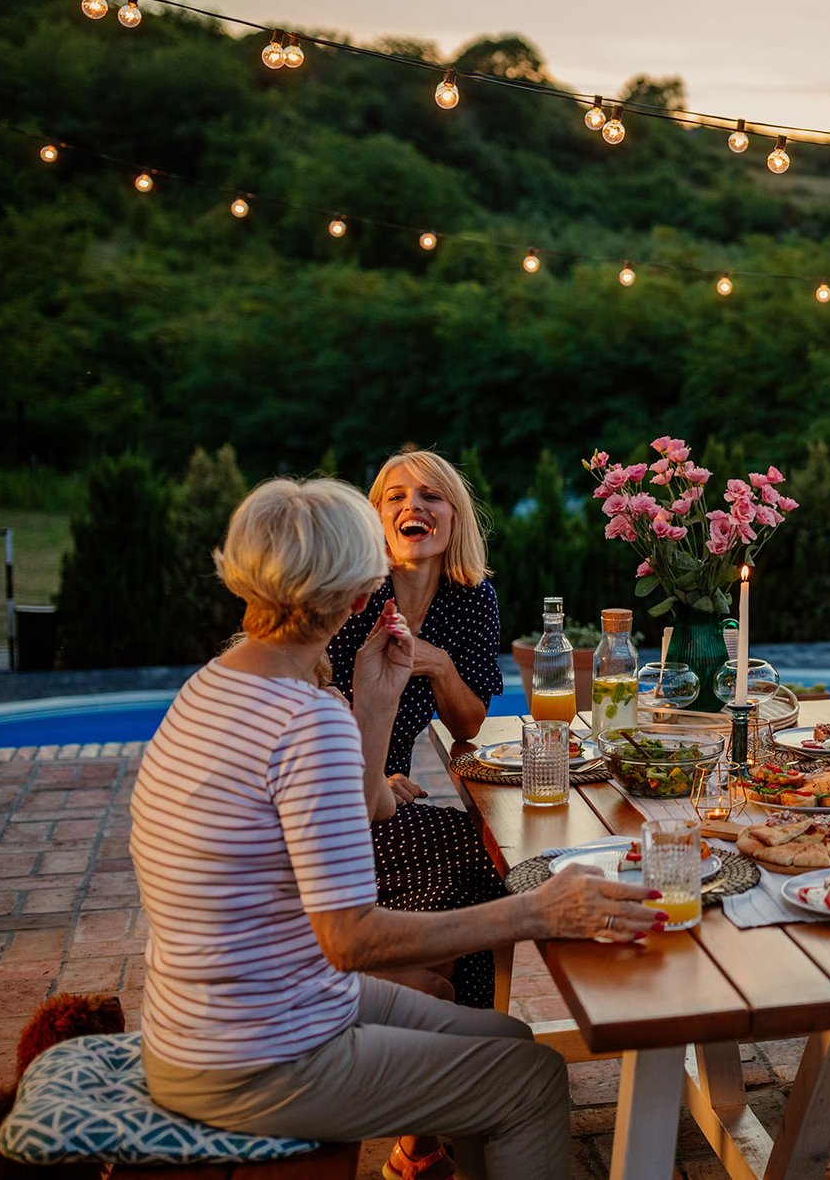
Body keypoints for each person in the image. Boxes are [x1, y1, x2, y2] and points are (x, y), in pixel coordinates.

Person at [131, 477, 665, 1180]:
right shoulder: (304, 717)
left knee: (496, 1027)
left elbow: (359, 812)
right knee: (531, 1077)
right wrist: (537, 910)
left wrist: (374, 704)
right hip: (257, 1055)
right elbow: (351, 939)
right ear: (358, 596)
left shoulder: (215, 684)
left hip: (204, 1016)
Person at [325, 448, 508, 1013]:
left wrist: (438, 664)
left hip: (385, 796)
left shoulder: (471, 598)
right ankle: (443, 1016)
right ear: (377, 517)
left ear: (454, 516)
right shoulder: (352, 592)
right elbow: (307, 693)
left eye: (431, 495)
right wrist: (375, 773)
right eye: (397, 497)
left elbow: (470, 722)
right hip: (332, 799)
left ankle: (433, 1004)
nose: (414, 506)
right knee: (479, 856)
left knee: (482, 857)